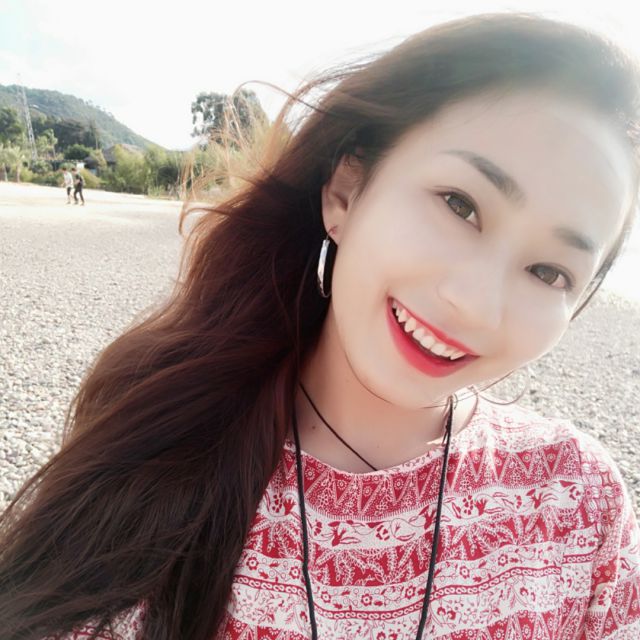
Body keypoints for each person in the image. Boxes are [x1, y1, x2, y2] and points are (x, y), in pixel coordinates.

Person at [1, 12, 639, 640]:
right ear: (346, 190)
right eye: (460, 204)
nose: (475, 305)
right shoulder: (161, 450)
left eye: (550, 272)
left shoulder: (579, 502)